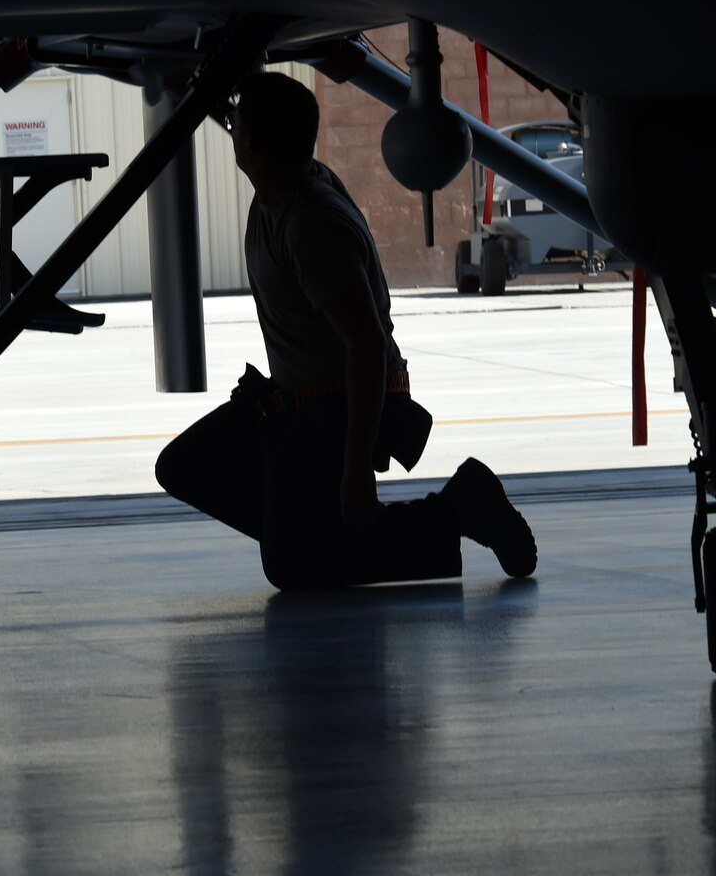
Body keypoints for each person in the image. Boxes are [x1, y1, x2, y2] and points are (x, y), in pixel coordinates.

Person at [156, 71, 537, 590]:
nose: (231, 131)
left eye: (237, 127)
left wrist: (355, 468)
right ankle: (306, 526)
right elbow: (249, 121)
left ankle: (459, 508)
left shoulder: (311, 226)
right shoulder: (287, 174)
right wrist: (201, 89)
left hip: (341, 405)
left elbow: (366, 345)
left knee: (294, 566)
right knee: (185, 466)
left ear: (257, 145)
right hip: (298, 399)